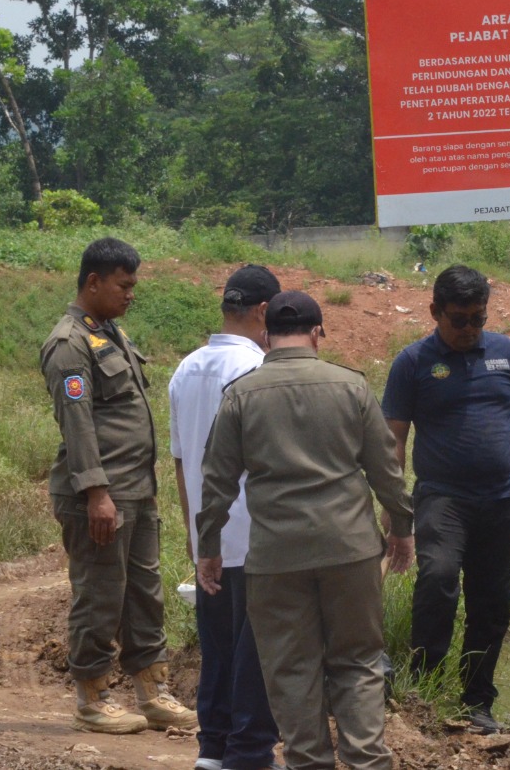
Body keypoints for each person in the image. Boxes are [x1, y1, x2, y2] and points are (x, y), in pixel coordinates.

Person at [197, 291, 414, 770]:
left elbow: (216, 481)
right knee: (357, 663)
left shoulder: (241, 394)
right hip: (350, 550)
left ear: (266, 334)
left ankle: (308, 762)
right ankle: (367, 763)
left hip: (277, 558)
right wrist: (401, 527)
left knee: (292, 670)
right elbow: (386, 470)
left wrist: (208, 546)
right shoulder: (350, 386)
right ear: (318, 332)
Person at [382, 264, 510, 734]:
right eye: (459, 319)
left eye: (478, 318)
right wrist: (394, 505)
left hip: (502, 501)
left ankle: (477, 700)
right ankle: (425, 689)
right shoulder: (413, 363)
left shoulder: (505, 352)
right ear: (435, 311)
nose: (469, 329)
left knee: (492, 603)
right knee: (437, 579)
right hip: (442, 499)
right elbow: (393, 440)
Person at [40, 237, 197, 735]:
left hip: (135, 491)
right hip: (101, 496)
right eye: (123, 285)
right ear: (93, 282)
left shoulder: (109, 332)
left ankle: (154, 692)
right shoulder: (69, 344)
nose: (131, 294)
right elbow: (78, 423)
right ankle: (92, 698)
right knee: (101, 596)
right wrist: (96, 495)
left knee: (144, 595)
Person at [169, 264, 282, 770]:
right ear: (262, 312)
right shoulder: (257, 372)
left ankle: (212, 749)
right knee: (254, 652)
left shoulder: (186, 368)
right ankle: (248, 753)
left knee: (217, 648)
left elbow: (180, 460)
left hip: (209, 534)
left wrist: (195, 534)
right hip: (252, 532)